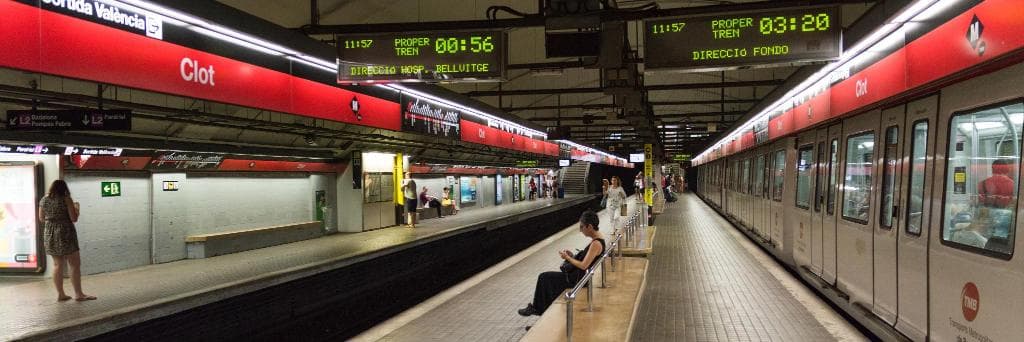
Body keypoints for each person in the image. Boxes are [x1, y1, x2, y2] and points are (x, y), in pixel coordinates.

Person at [518, 210, 605, 318]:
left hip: (576, 280)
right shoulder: (597, 240)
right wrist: (572, 256)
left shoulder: (596, 244)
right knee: (547, 281)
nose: (580, 230)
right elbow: (586, 261)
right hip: (580, 277)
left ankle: (538, 310)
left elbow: (584, 265)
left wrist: (567, 257)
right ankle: (540, 312)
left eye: (582, 227)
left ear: (590, 226)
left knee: (544, 278)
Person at [37, 180, 95, 302]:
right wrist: (77, 209)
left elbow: (41, 219)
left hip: (50, 234)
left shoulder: (44, 199)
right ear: (64, 188)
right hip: (66, 233)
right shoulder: (66, 199)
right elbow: (73, 218)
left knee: (57, 265)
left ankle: (61, 294)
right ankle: (79, 294)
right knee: (74, 264)